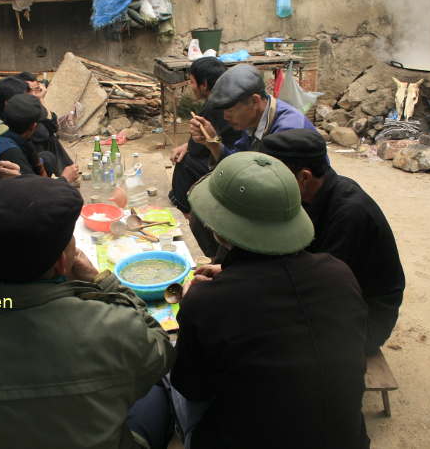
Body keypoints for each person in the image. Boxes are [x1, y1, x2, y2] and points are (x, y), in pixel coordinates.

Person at [0, 175, 175, 449]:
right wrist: (103, 282)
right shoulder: (114, 326)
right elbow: (161, 352)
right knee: (155, 392)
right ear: (63, 262)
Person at [171, 152, 369, 449]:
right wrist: (229, 275)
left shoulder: (206, 301)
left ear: (220, 231)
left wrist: (192, 306)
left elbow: (192, 387)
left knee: (169, 377)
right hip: (348, 439)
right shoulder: (338, 273)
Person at [256, 128, 405, 354]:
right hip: (334, 297)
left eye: (274, 178)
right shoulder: (310, 193)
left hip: (365, 319)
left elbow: (322, 289)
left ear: (303, 177)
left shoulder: (350, 213)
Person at [168, 58, 242, 258]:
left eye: (191, 82)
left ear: (205, 85)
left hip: (235, 165)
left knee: (185, 163)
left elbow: (202, 148)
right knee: (187, 156)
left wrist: (192, 146)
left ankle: (189, 212)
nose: (190, 87)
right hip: (232, 156)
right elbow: (208, 140)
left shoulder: (216, 106)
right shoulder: (228, 101)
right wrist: (190, 144)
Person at [188, 63, 316, 163]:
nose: (225, 117)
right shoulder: (254, 120)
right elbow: (238, 162)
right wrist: (212, 142)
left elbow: (272, 186)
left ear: (255, 101)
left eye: (230, 110)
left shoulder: (287, 131)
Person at [0, 74, 77, 179]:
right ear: (9, 103)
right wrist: (65, 180)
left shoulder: (11, 120)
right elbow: (32, 189)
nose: (32, 96)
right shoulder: (9, 149)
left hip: (27, 165)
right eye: (25, 96)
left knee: (47, 157)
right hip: (22, 185)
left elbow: (51, 128)